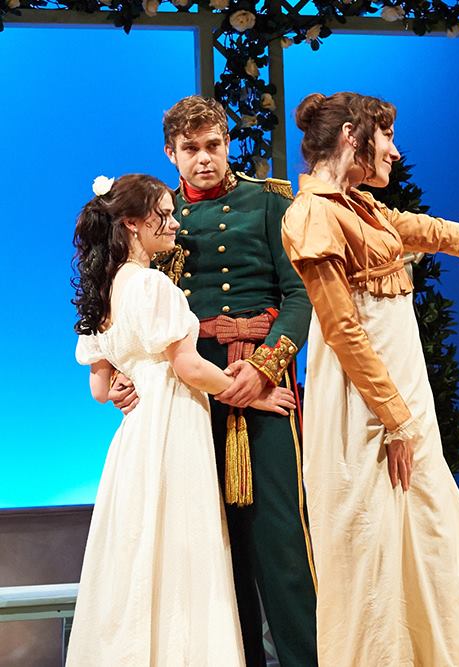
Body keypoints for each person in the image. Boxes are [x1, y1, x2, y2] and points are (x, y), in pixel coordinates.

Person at [280, 91, 459, 667]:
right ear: (351, 137)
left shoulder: (363, 208)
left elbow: (446, 234)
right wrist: (394, 419)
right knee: (373, 539)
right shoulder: (313, 214)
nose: (394, 150)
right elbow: (342, 329)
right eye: (386, 136)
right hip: (364, 407)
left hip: (402, 399)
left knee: (425, 525)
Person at [108, 96, 318, 667]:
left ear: (227, 143)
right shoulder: (160, 217)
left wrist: (266, 367)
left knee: (282, 540)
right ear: (170, 154)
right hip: (190, 394)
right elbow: (136, 307)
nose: (204, 158)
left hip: (265, 381)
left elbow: (299, 295)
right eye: (191, 149)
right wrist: (124, 371)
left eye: (213, 145)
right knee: (212, 546)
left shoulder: (269, 201)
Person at [69, 173, 295, 665]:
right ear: (132, 224)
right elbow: (188, 367)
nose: (175, 224)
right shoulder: (153, 284)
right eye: (164, 215)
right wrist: (252, 395)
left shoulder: (103, 289)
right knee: (181, 545)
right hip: (172, 424)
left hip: (136, 436)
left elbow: (100, 390)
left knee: (140, 546)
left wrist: (126, 379)